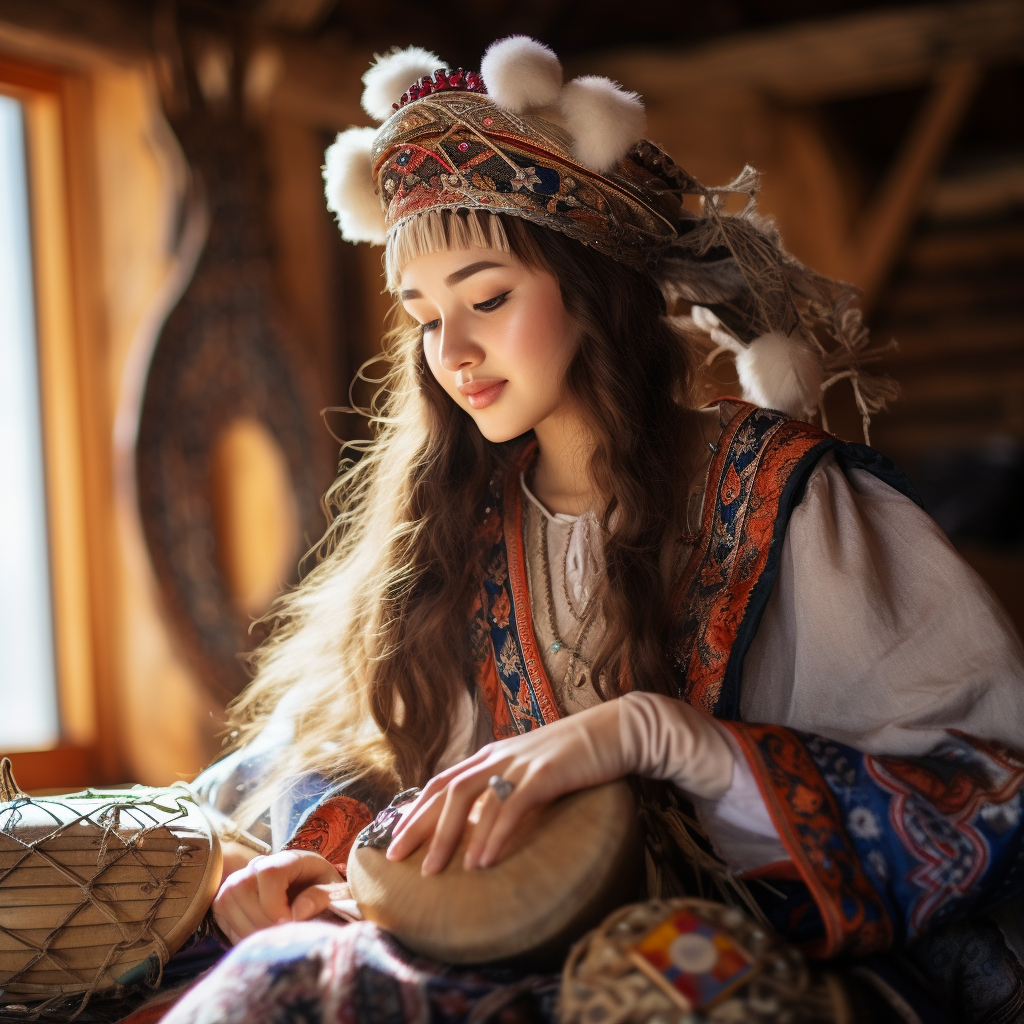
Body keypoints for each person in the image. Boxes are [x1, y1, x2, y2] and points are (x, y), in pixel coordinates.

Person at [169, 37, 1024, 1024]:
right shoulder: (449, 528)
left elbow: (990, 789)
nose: (453, 352)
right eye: (422, 315)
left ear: (589, 290)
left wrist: (672, 741)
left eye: (487, 297)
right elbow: (321, 755)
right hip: (490, 945)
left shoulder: (783, 500)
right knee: (267, 983)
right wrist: (277, 864)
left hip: (720, 957)